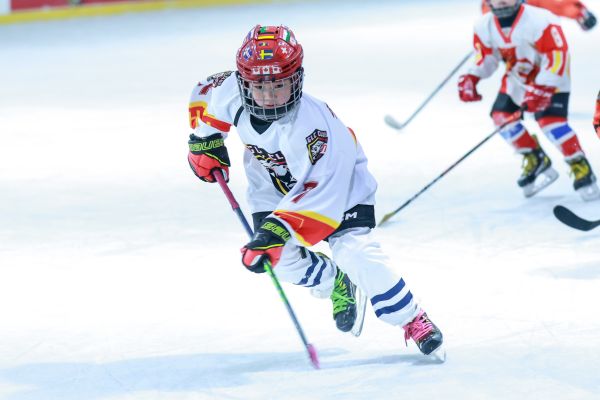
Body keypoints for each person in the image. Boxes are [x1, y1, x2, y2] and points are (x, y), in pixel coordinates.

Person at [186, 25, 443, 355]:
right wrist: (204, 142)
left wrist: (275, 231)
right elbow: (205, 94)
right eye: (259, 86)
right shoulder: (230, 91)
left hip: (341, 187)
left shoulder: (313, 126)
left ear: (296, 79)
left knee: (356, 254)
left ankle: (412, 318)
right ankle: (334, 280)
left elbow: (321, 192)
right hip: (273, 184)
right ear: (243, 82)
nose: (268, 95)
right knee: (278, 261)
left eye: (278, 85)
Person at [459, 0, 599, 200]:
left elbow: (557, 56)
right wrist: (472, 76)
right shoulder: (483, 24)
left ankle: (578, 163)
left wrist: (543, 87)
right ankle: (535, 157)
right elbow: (486, 58)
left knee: (551, 123)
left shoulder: (541, 19)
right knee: (502, 118)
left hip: (551, 78)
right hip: (518, 78)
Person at [481, 0, 597, 30]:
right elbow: (487, 15)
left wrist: (581, 14)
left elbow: (557, 4)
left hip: (538, 41)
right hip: (508, 45)